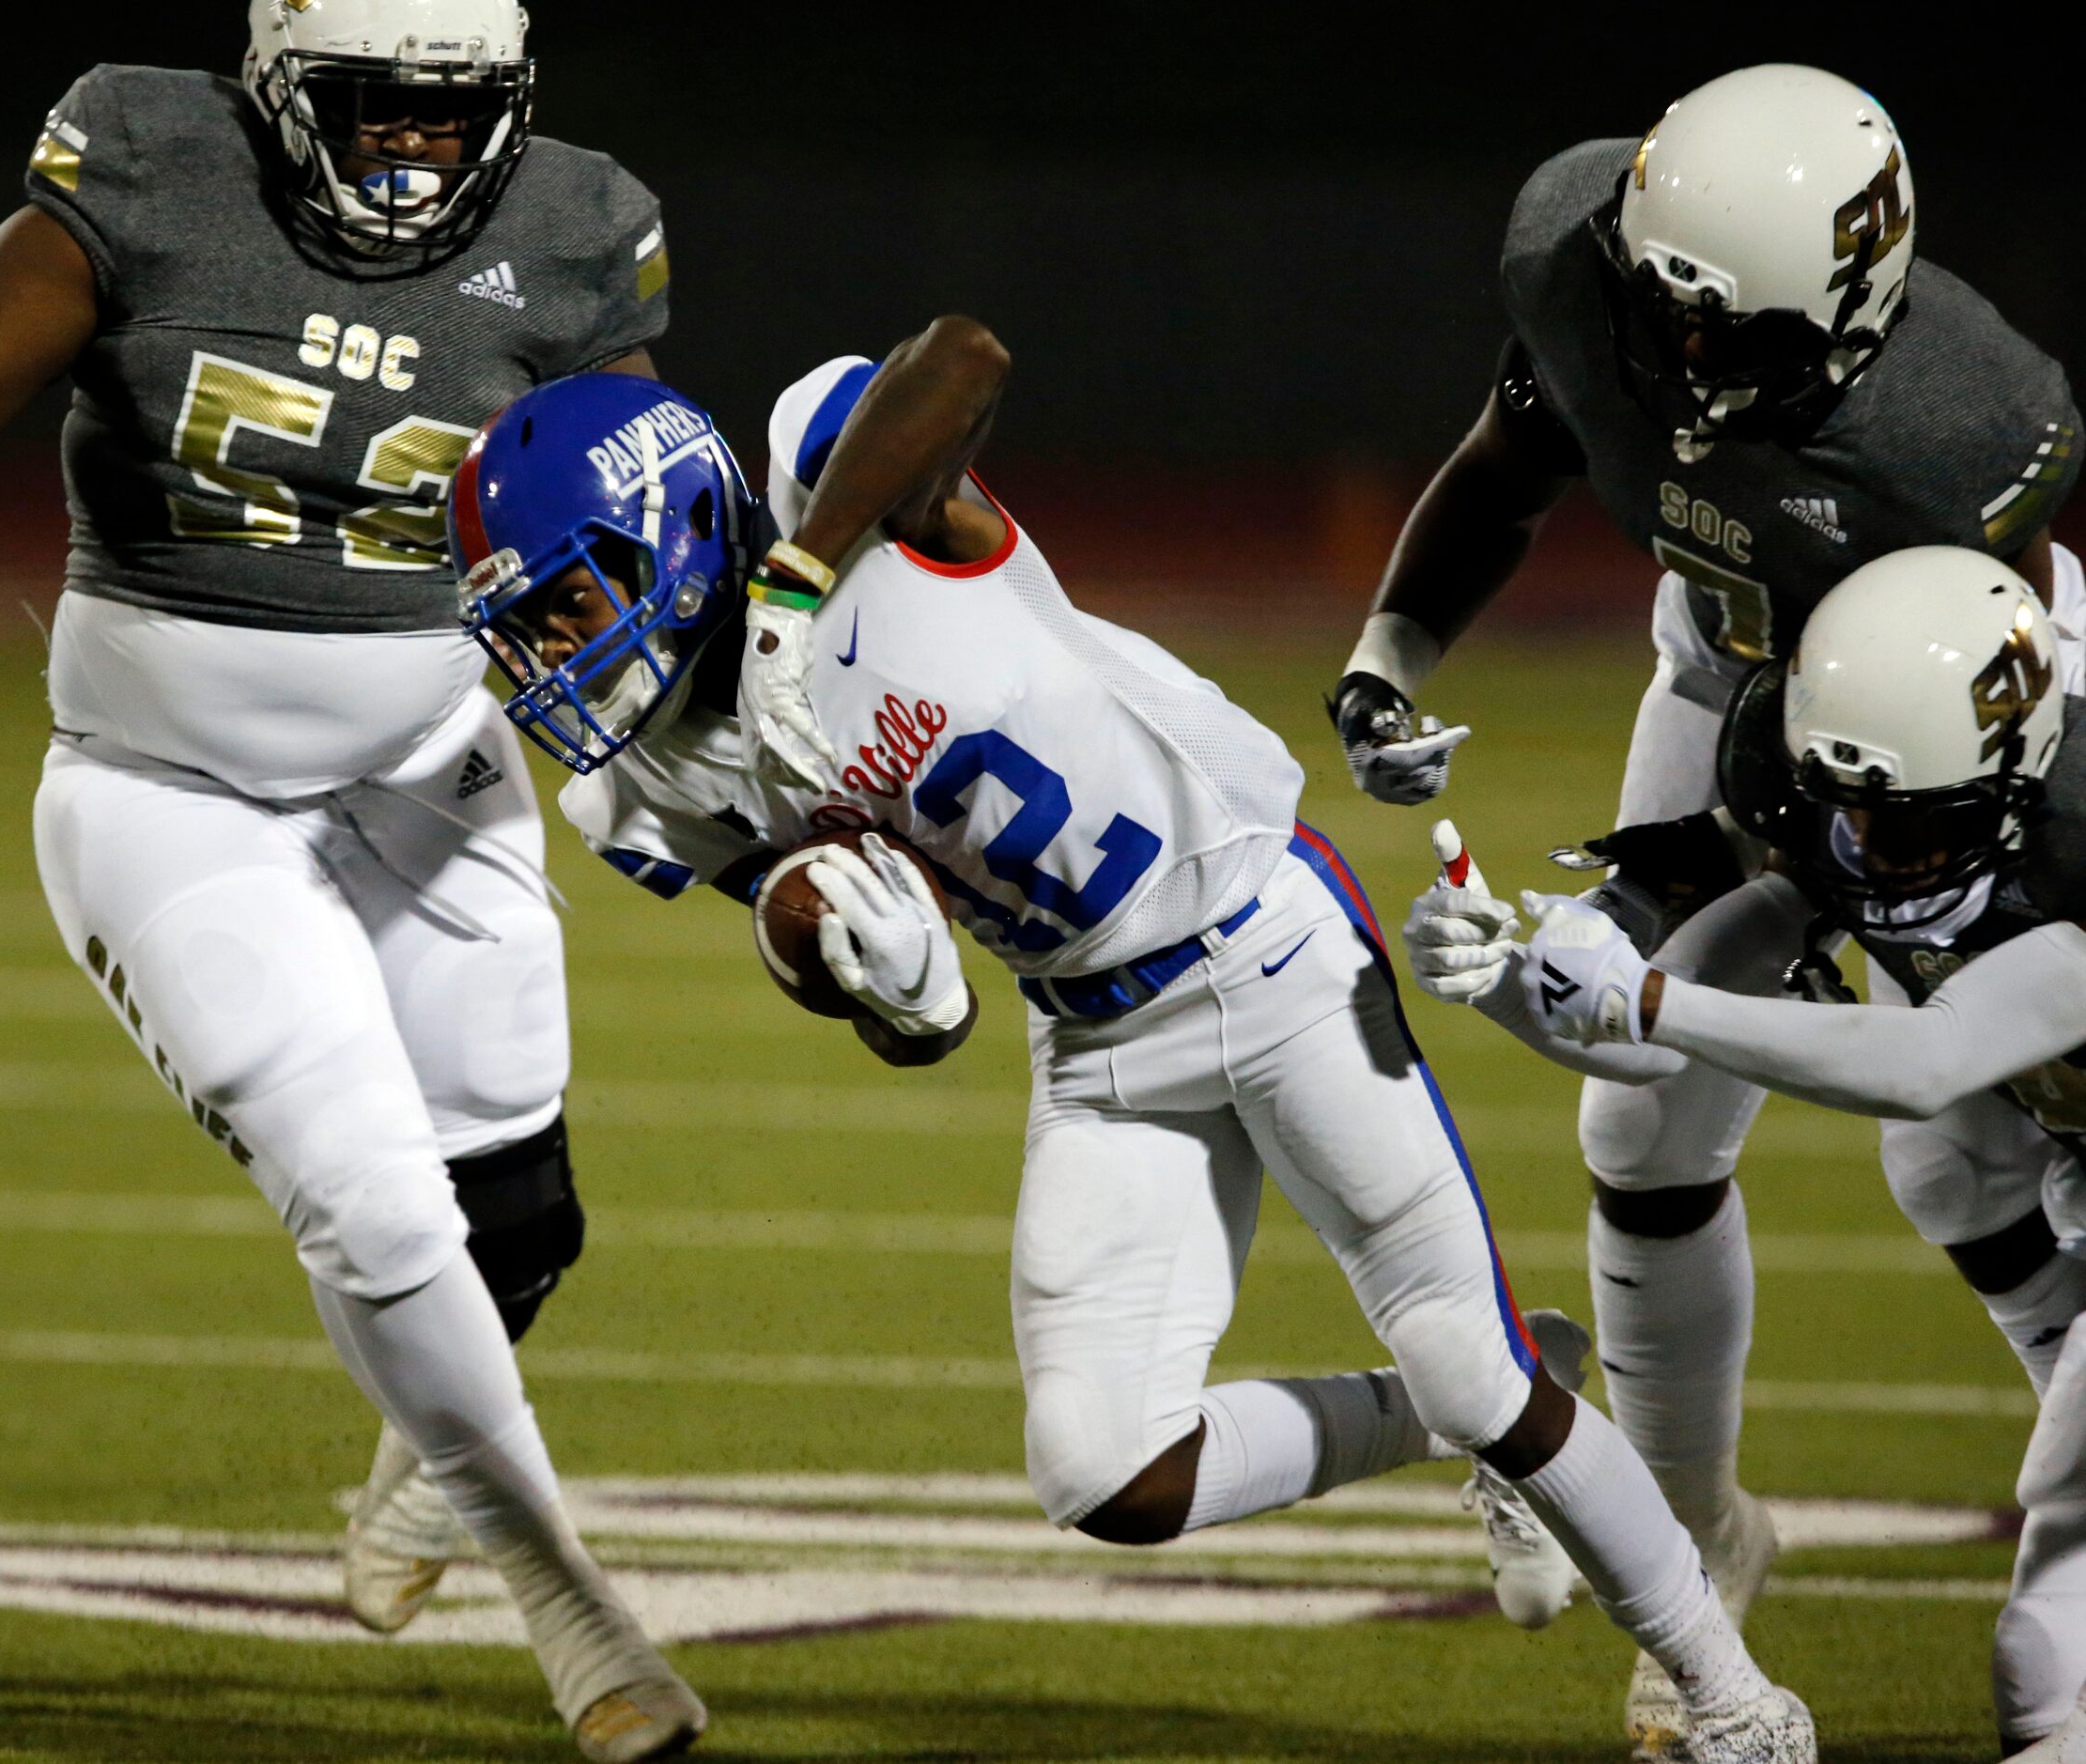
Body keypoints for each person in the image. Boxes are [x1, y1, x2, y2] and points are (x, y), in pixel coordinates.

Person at [443, 322, 1819, 1761]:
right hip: (1095, 1040)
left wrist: (797, 576)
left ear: (662, 522)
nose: (551, 659)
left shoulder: (829, 488)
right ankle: (1464, 1413)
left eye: (561, 606)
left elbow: (967, 357)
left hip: (1267, 939)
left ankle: (1730, 1693)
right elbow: (823, 941)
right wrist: (868, 975)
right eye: (526, 631)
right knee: (1109, 1472)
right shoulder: (645, 778)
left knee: (1478, 1370)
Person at [0, 4, 699, 1756]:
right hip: (165, 791)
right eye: (374, 107)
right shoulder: (157, 154)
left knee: (519, 1219)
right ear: (275, 89)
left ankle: (430, 1444)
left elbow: (612, 486)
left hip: (429, 763)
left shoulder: (575, 226)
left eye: (451, 112)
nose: (415, 146)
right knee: (382, 1207)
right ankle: (578, 1607)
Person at [1322, 60, 2080, 1752]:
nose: (1678, 362)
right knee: (1639, 1126)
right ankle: (1693, 1557)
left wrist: (1696, 907)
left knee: (1966, 1141)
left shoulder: (1954, 448)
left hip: (1931, 722)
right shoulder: (1603, 273)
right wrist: (1390, 655)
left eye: (1727, 330)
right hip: (1735, 681)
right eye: (1665, 310)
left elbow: (1939, 731)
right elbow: (1517, 450)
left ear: (1852, 315)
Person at [1404, 547, 2086, 1757]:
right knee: (2044, 1676)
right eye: (1849, 807)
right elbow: (1659, 1048)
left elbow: (1923, 1060)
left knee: (2047, 1674)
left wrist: (1649, 1004)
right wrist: (1515, 986)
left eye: (1907, 818)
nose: (1869, 845)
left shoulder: (2077, 849)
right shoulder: (1863, 800)